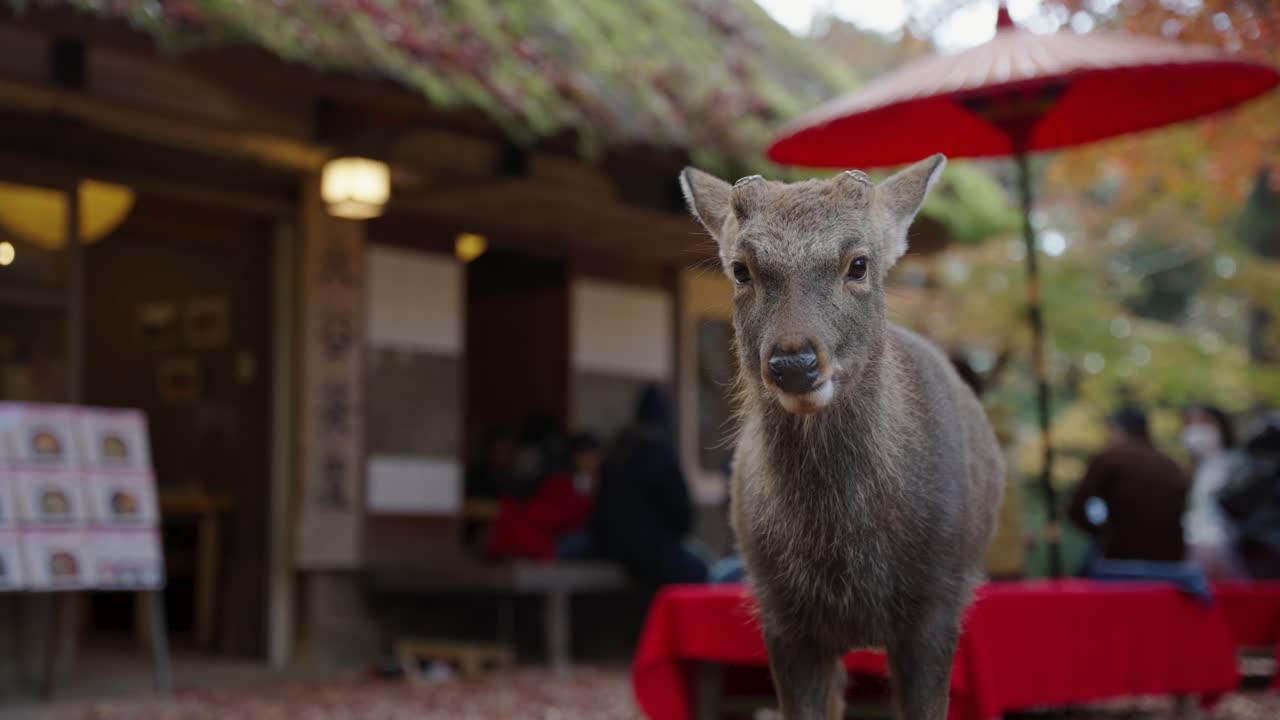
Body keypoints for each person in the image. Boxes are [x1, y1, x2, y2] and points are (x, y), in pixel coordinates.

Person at [1068, 407, 1205, 599]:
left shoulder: (1111, 459)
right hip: (1172, 561)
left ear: (1117, 430)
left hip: (1120, 561)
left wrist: (1103, 534)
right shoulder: (1169, 464)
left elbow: (1076, 508)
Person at [590, 385, 708, 585]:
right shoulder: (662, 453)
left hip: (611, 547)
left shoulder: (616, 452)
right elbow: (682, 515)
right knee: (703, 566)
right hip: (654, 552)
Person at [484, 432, 602, 563]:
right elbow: (553, 513)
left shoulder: (599, 481)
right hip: (551, 537)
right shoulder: (562, 481)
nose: (596, 460)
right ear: (576, 457)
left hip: (562, 534)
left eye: (597, 456)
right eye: (591, 455)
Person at [1181, 404, 1247, 579]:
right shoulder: (1196, 470)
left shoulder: (1238, 464)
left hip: (1233, 553)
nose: (1197, 430)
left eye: (1204, 422)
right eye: (1190, 423)